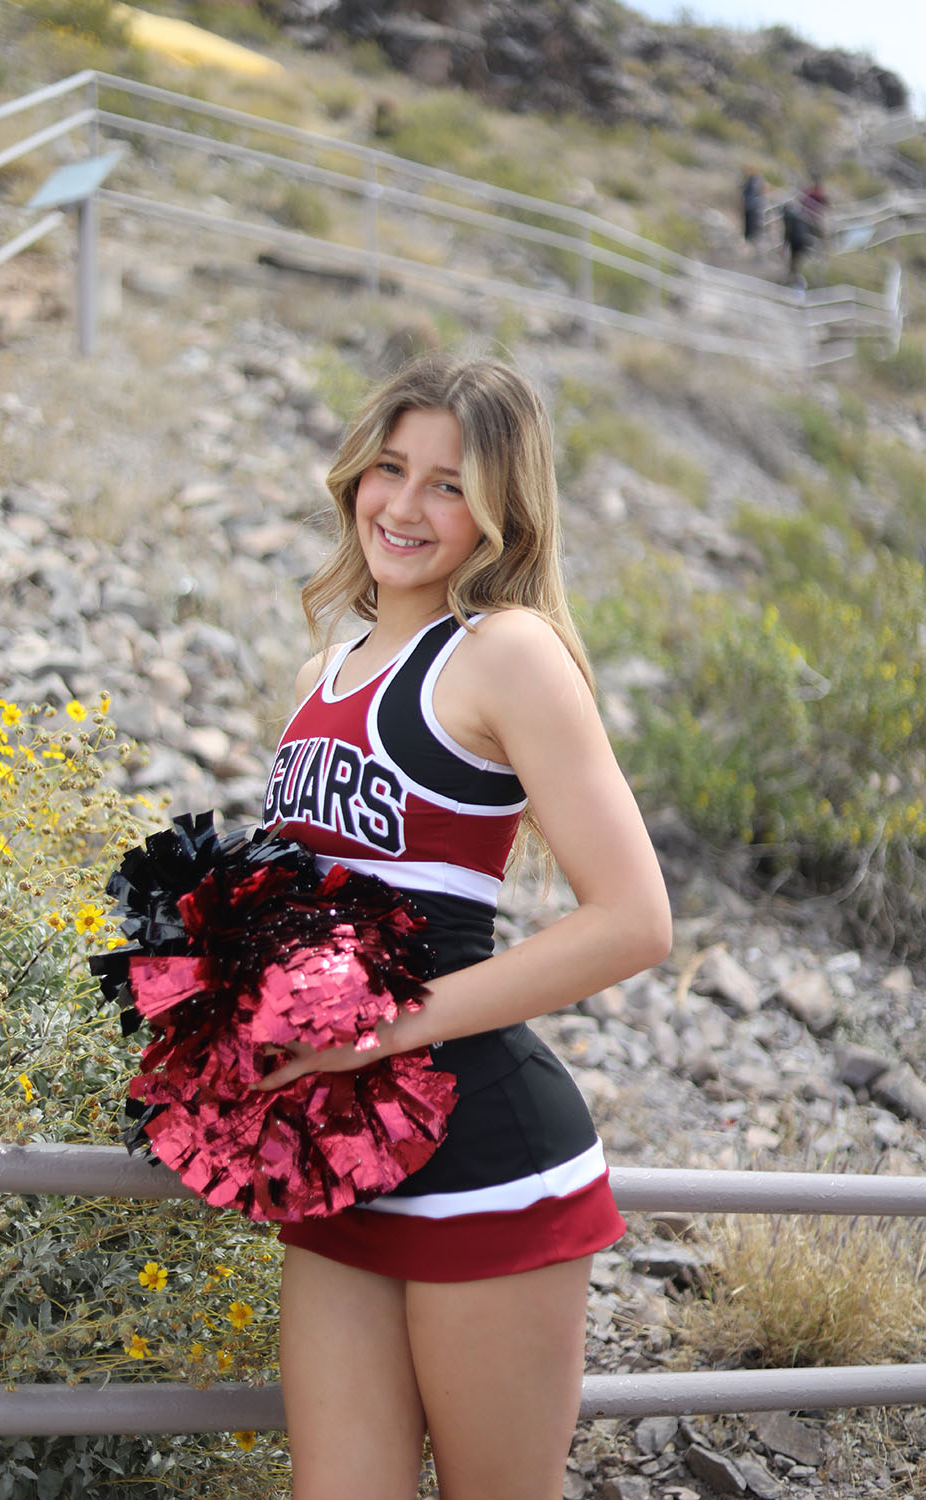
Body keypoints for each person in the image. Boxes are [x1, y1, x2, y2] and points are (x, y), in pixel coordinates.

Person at [257, 353, 672, 1500]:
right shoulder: (322, 666)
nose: (405, 504)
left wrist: (380, 1032)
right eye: (389, 468)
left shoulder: (505, 653)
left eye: (448, 483)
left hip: (487, 1156)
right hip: (342, 1159)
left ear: (499, 508)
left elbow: (633, 922)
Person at [741, 169, 766, 248]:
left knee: (751, 223)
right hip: (753, 207)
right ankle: (751, 239)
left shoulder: (750, 183)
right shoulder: (756, 183)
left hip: (751, 206)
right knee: (752, 223)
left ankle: (750, 239)